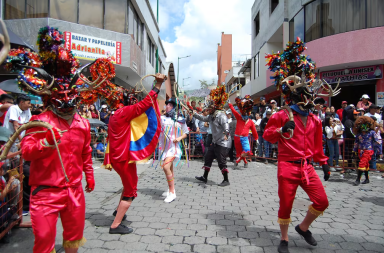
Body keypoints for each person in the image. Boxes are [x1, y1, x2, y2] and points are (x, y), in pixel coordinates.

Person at [4, 26, 125, 252]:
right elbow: (27, 151)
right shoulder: (41, 122)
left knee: (73, 239)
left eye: (71, 95)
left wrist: (89, 176)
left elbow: (85, 152)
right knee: (43, 241)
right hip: (45, 193)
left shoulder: (82, 123)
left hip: (73, 192)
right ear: (51, 96)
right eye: (62, 95)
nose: (67, 100)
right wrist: (45, 144)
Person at [265, 39, 331, 253]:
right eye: (307, 94)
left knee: (322, 201)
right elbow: (267, 136)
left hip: (307, 167)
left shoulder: (315, 119)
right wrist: (281, 130)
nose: (311, 97)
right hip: (287, 166)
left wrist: (324, 163)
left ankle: (303, 228)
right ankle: (284, 239)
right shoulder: (281, 115)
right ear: (295, 94)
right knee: (286, 204)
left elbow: (317, 145)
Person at [107, 73, 166, 234]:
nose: (132, 100)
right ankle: (115, 225)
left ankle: (117, 212)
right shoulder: (122, 113)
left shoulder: (113, 115)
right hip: (123, 158)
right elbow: (145, 104)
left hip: (119, 157)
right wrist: (158, 84)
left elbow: (144, 105)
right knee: (130, 190)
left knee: (128, 185)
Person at [194, 85, 231, 186]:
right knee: (208, 157)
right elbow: (203, 118)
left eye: (210, 108)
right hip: (214, 142)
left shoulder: (221, 116)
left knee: (221, 162)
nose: (208, 110)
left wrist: (226, 133)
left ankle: (226, 180)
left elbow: (226, 126)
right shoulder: (211, 116)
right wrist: (194, 114)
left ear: (214, 108)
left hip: (222, 142)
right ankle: (205, 177)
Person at [158, 97, 189, 203]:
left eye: (170, 105)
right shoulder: (162, 118)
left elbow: (186, 132)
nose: (167, 106)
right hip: (165, 148)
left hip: (174, 148)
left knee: (165, 167)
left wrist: (179, 138)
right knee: (169, 169)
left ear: (175, 107)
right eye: (167, 104)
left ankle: (172, 192)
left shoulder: (180, 119)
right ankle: (170, 189)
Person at [228, 95, 258, 168]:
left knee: (247, 150)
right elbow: (233, 111)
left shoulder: (250, 122)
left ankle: (237, 161)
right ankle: (245, 161)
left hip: (244, 138)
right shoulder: (239, 117)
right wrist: (230, 104)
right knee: (239, 152)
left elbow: (254, 131)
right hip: (237, 137)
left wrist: (256, 139)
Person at [352, 116, 379, 186]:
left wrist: (379, 150)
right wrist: (354, 151)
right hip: (360, 151)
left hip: (368, 150)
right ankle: (367, 179)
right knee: (365, 165)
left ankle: (358, 179)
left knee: (362, 164)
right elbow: (356, 143)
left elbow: (377, 141)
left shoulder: (372, 132)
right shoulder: (359, 134)